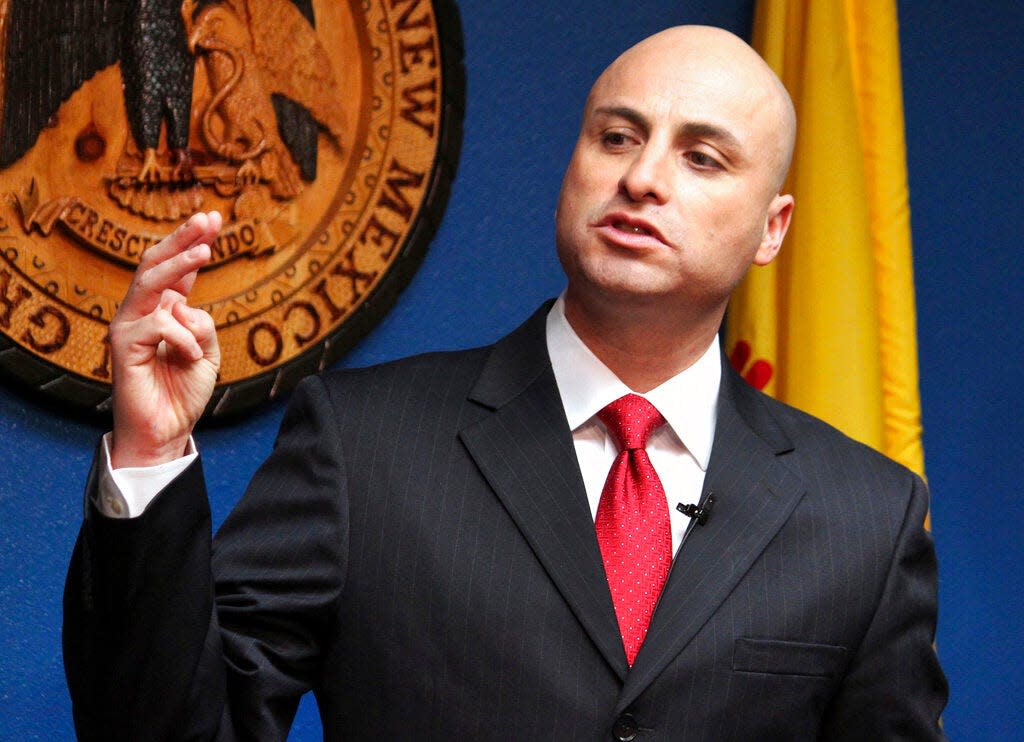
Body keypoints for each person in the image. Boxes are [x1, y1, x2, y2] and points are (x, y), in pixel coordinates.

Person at [64, 25, 948, 740]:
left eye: (702, 158)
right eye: (617, 136)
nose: (641, 178)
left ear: (772, 227)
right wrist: (148, 452)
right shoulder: (360, 444)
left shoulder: (866, 519)